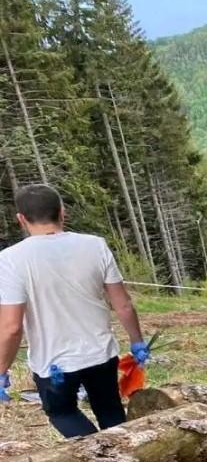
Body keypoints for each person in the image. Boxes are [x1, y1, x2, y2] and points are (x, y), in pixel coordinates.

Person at [0, 184, 150, 438]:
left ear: (21, 219)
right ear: (62, 212)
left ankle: (101, 455)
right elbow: (123, 304)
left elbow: (12, 327)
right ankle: (123, 454)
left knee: (63, 413)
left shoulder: (11, 259)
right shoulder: (95, 246)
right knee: (110, 410)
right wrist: (137, 342)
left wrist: (2, 370)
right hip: (100, 353)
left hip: (54, 363)